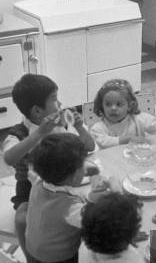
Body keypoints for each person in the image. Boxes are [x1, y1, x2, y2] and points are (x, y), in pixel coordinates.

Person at [2, 74, 95, 209]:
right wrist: (40, 133)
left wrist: (80, 128)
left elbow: (90, 147)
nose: (60, 104)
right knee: (22, 218)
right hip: (31, 190)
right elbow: (9, 158)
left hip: (65, 182)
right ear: (37, 111)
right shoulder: (20, 132)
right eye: (55, 99)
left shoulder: (63, 124)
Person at [24, 133, 88, 263]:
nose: (85, 168)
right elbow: (99, 222)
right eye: (82, 166)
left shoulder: (39, 181)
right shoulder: (70, 207)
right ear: (73, 174)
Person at [90, 78, 156, 148]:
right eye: (108, 104)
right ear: (101, 106)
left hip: (138, 161)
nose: (113, 108)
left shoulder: (139, 119)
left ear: (129, 105)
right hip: (112, 164)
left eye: (119, 104)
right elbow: (103, 142)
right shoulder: (98, 127)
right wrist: (128, 139)